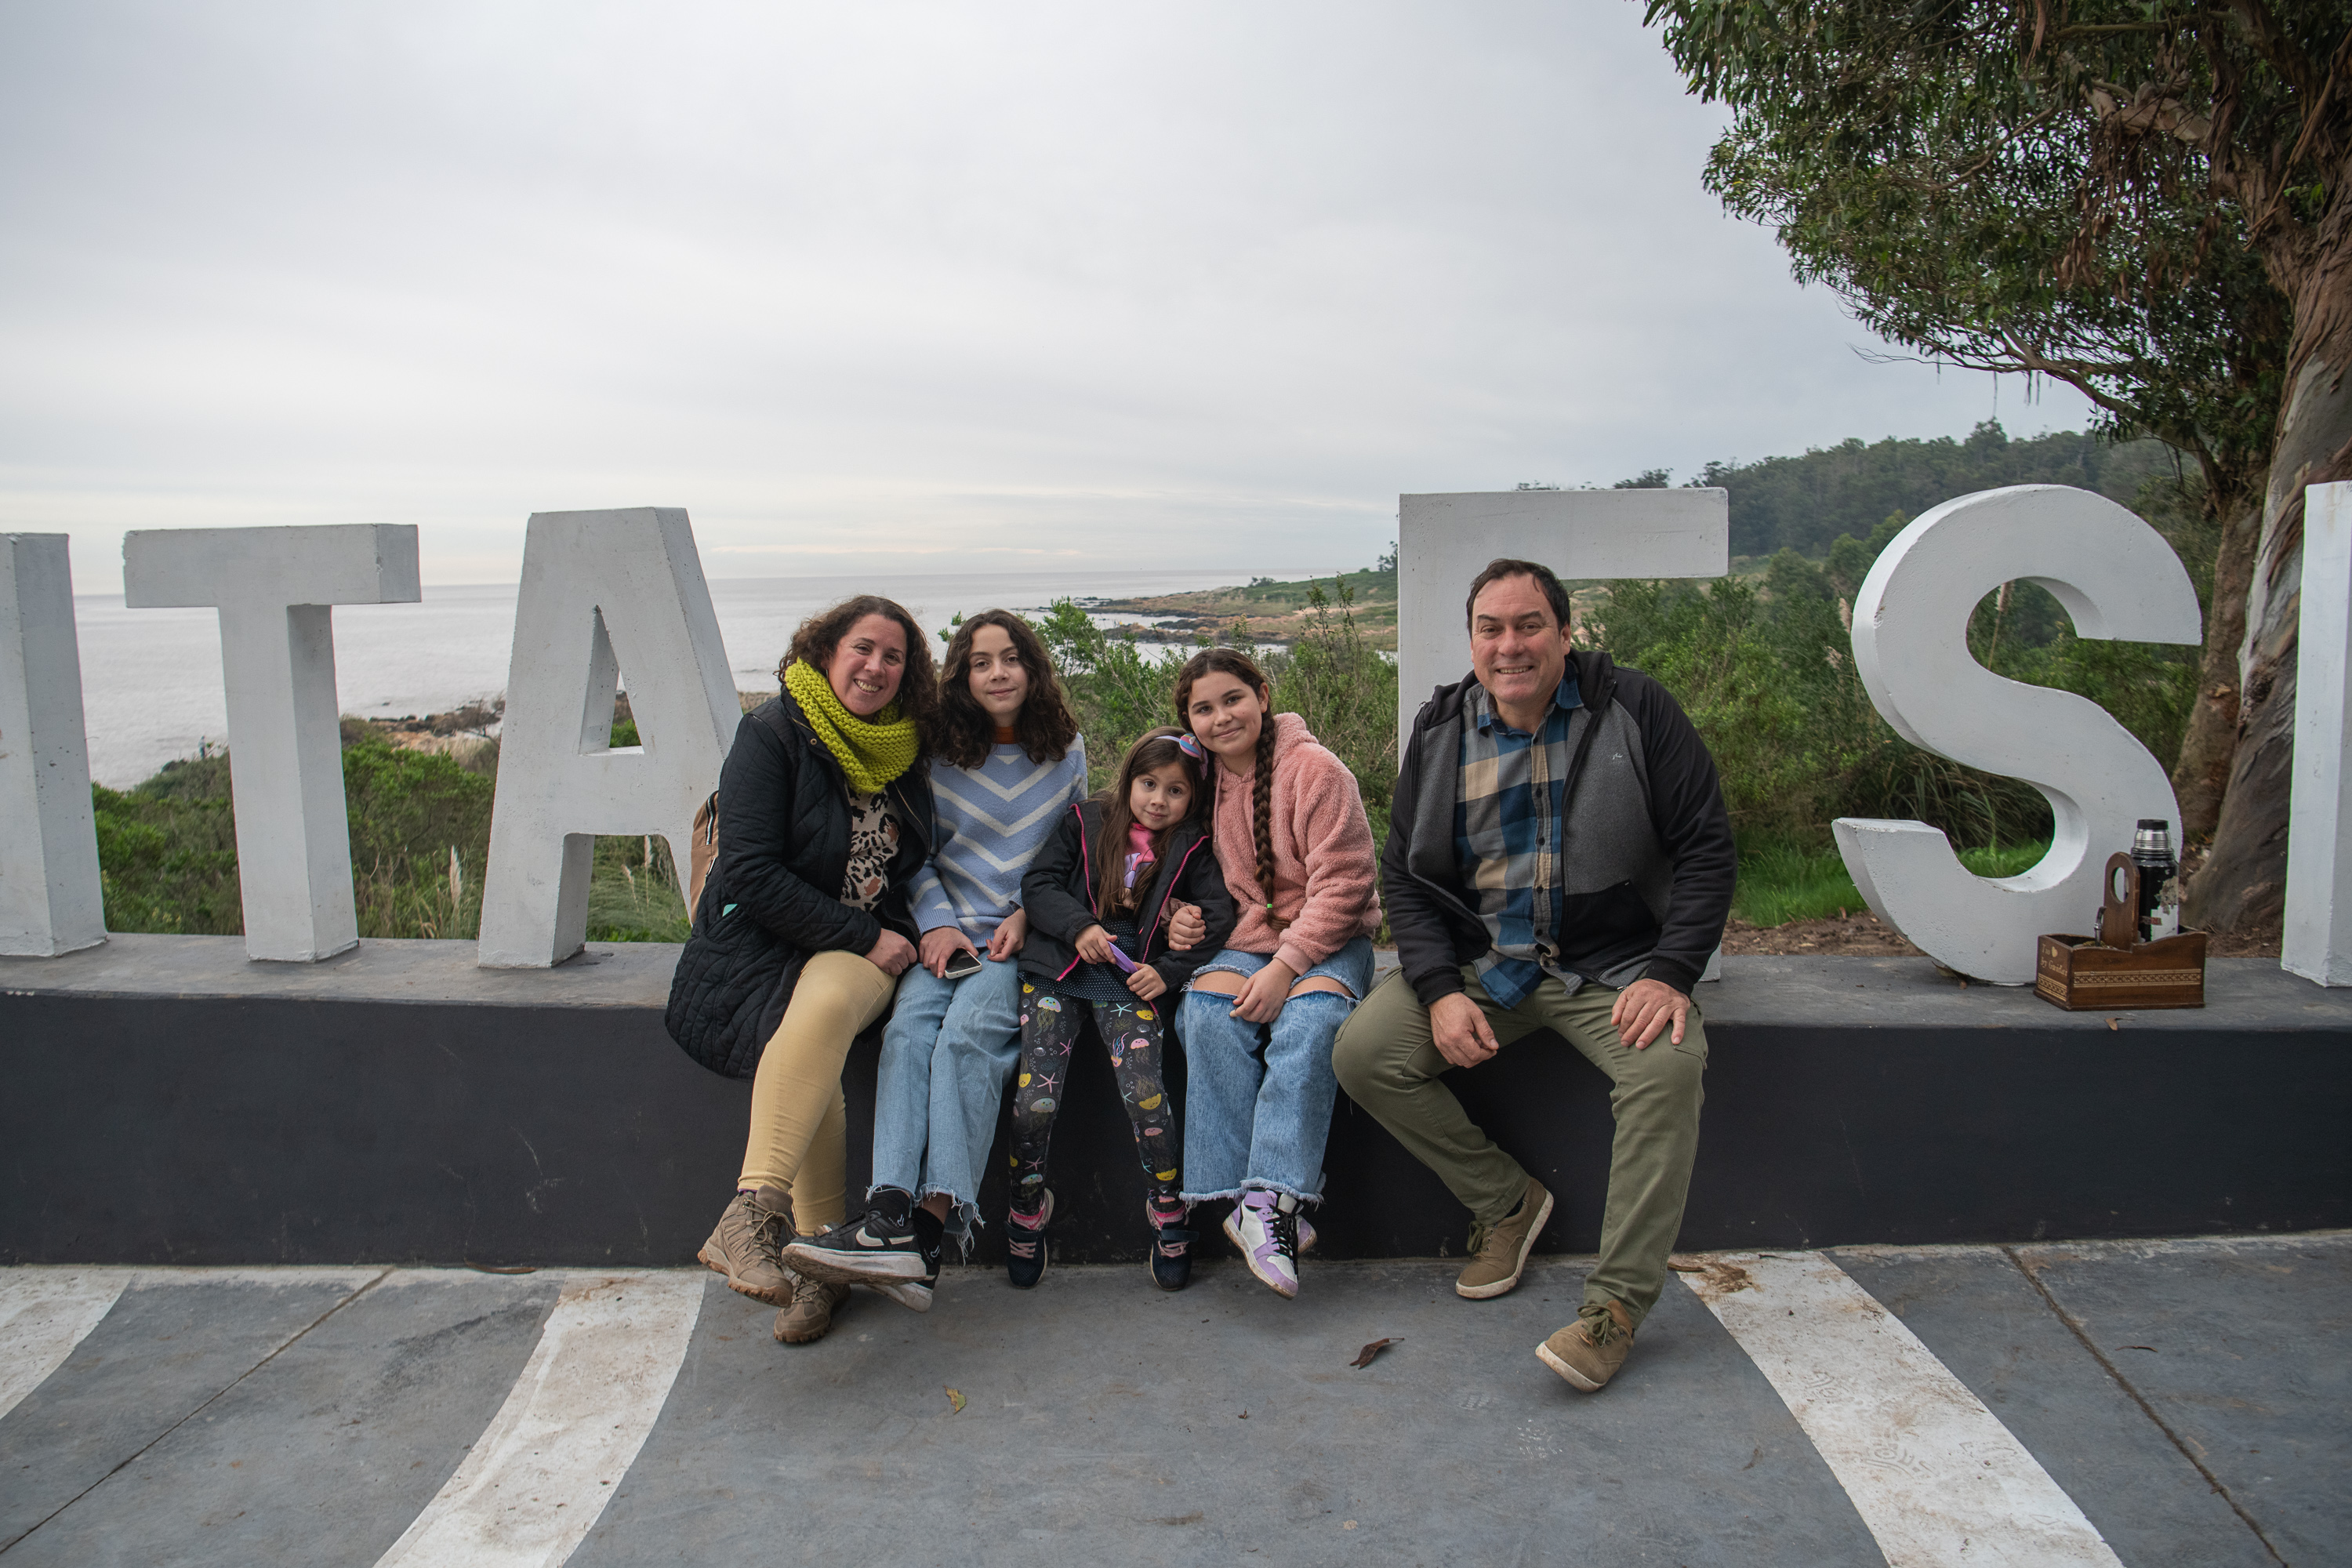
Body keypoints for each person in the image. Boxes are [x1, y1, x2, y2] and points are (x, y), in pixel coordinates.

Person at [1332, 558, 1733, 1392]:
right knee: (1366, 1052)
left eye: (1528, 625)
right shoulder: (1442, 728)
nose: (1509, 645)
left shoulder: (1636, 707)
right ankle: (1506, 1202)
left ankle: (1613, 1310)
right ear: (1472, 637)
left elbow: (1706, 846)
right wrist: (1439, 988)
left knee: (1666, 1067)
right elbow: (1404, 875)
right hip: (1491, 965)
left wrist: (1670, 972)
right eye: (1492, 628)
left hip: (1613, 968)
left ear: (1565, 630)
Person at [782, 611, 1086, 1311]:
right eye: (981, 662)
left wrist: (1025, 916)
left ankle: (929, 1228)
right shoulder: (933, 754)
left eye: (1011, 658)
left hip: (1020, 936)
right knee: (909, 1031)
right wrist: (940, 925)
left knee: (967, 1043)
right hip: (941, 935)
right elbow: (910, 857)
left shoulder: (1065, 751)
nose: (999, 673)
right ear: (961, 676)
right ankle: (888, 1210)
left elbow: (1066, 859)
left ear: (1033, 669)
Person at [680, 594, 938, 1347]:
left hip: (867, 943)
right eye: (863, 648)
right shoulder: (773, 732)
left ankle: (753, 1217)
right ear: (826, 651)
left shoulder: (905, 745)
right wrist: (855, 932)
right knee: (807, 1047)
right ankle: (809, 1260)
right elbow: (751, 871)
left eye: (894, 657)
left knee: (821, 1010)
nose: (876, 666)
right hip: (767, 937)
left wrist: (868, 937)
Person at [1171, 648, 1382, 1300]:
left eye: (1232, 698)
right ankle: (1252, 1202)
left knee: (1313, 1022)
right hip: (1244, 940)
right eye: (1203, 709)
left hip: (1330, 941)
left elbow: (1346, 886)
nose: (1221, 717)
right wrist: (1181, 914)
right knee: (1206, 1016)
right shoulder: (1198, 781)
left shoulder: (1315, 771)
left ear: (1262, 694)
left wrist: (1287, 968)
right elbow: (1173, 867)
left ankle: (1273, 1200)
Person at [1006, 727, 1236, 1290]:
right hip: (1060, 969)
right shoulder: (1086, 822)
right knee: (1035, 1099)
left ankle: (1168, 1212)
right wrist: (1078, 924)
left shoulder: (1194, 848)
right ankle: (1027, 1205)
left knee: (1145, 1095)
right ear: (1129, 778)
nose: (1158, 800)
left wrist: (1172, 972)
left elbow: (1218, 918)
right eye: (1148, 783)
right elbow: (1037, 885)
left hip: (1133, 980)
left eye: (1175, 791)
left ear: (1193, 799)